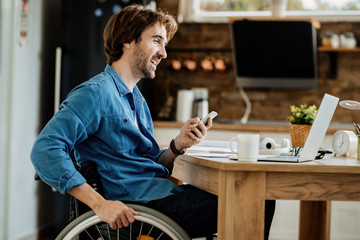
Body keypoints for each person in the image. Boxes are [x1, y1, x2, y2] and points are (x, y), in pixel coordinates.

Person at [31, 4, 275, 239]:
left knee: (256, 194)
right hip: (143, 207)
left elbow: (143, 164)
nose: (164, 53)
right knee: (256, 200)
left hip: (157, 196)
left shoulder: (136, 98)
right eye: (157, 40)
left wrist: (177, 146)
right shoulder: (95, 93)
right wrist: (100, 204)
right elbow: (45, 150)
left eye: (164, 44)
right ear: (128, 40)